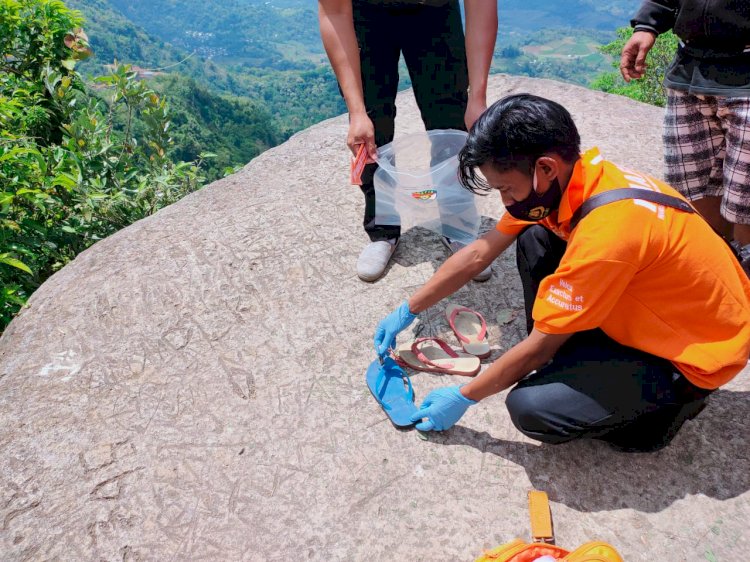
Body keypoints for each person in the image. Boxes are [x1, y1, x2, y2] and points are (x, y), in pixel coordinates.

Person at [373, 94, 750, 452]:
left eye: (505, 188)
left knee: (533, 408)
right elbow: (479, 254)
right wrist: (410, 308)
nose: (504, 201)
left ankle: (662, 412)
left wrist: (462, 397)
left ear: (546, 168)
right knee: (536, 234)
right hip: (664, 306)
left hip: (692, 352)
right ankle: (579, 352)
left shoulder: (608, 234)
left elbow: (537, 351)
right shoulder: (577, 182)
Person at [318, 0, 498, 282]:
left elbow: (482, 6)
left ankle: (458, 226)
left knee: (452, 120)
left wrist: (477, 98)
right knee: (371, 129)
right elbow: (334, 11)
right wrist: (357, 111)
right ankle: (383, 230)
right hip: (366, 13)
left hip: (435, 11)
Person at [620, 1, 750, 251]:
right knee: (693, 193)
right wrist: (647, 25)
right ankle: (714, 271)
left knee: (745, 206)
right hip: (689, 71)